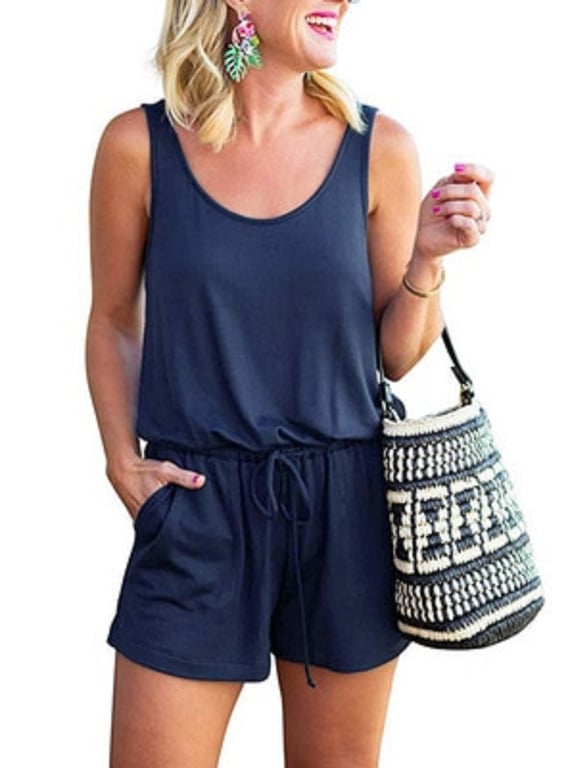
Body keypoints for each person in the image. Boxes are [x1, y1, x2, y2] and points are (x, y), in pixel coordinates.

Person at [85, 1, 494, 765]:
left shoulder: (380, 148)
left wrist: (427, 262)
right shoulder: (137, 146)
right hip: (197, 508)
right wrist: (120, 459)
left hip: (347, 512)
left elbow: (396, 357)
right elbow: (113, 318)